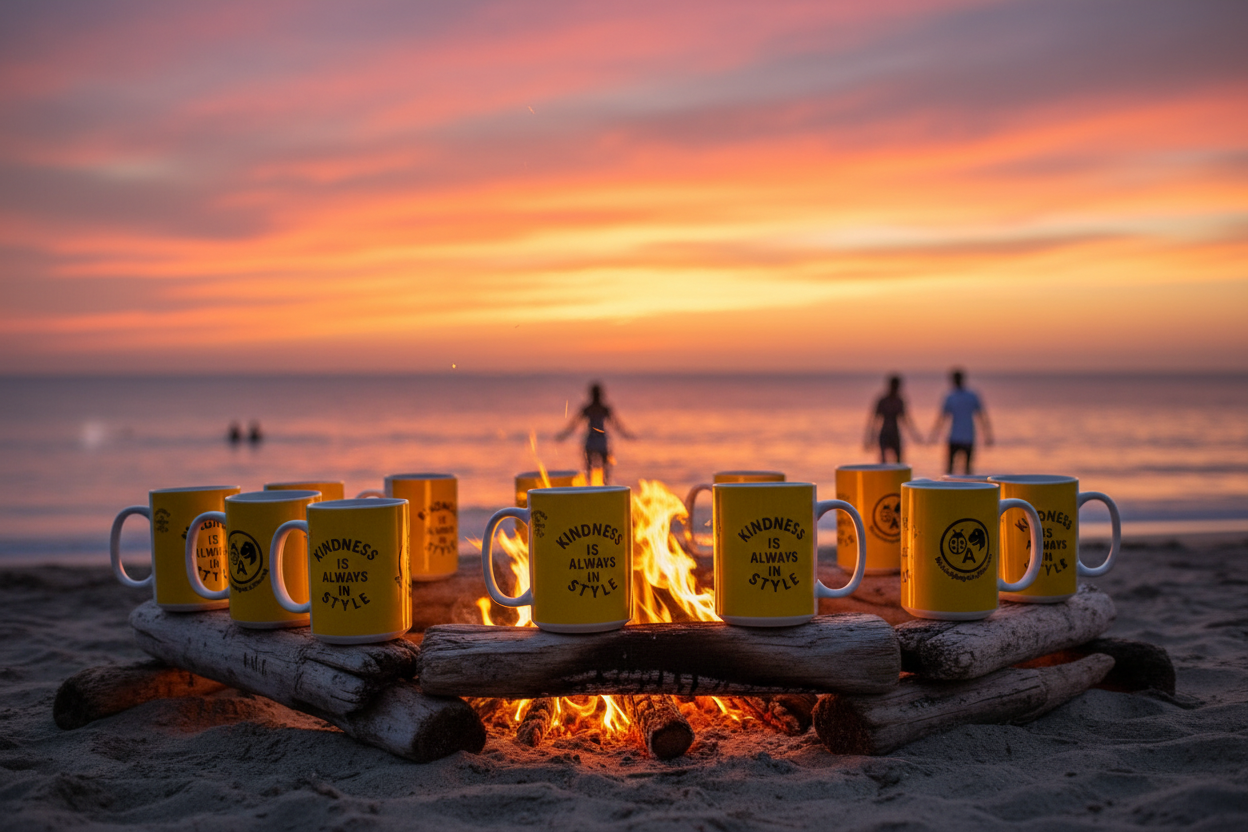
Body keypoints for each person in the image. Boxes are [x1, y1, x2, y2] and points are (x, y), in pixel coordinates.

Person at [555, 382, 634, 485]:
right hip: (600, 440)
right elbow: (617, 426)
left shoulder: (588, 409)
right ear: (601, 394)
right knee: (605, 470)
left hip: (591, 440)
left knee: (589, 469)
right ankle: (605, 489)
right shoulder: (604, 409)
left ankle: (592, 488)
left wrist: (563, 436)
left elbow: (573, 426)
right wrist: (627, 435)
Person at [929, 368, 993, 475]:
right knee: (959, 469)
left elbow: (942, 419)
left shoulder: (954, 396)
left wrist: (934, 436)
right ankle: (959, 488)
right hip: (962, 437)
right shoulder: (968, 395)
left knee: (958, 469)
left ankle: (952, 488)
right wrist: (934, 436)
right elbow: (982, 417)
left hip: (960, 438)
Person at [863, 374, 923, 463]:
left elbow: (906, 420)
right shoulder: (883, 401)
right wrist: (869, 438)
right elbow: (874, 420)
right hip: (884, 433)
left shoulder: (899, 401)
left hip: (895, 434)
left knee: (899, 462)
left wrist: (915, 436)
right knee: (883, 462)